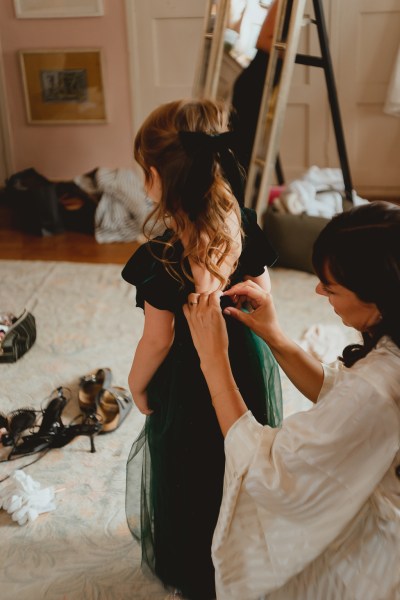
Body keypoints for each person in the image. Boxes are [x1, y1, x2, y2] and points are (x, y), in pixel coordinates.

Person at [183, 201, 400, 600]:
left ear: (378, 300)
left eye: (331, 286)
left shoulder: (379, 385)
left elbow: (273, 469)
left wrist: (213, 359)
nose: (318, 290)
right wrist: (276, 336)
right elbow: (346, 397)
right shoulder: (387, 362)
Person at [121, 99, 283, 599]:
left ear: (155, 177)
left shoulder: (161, 258)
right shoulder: (242, 225)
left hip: (191, 381)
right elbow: (264, 295)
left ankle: (196, 560)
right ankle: (243, 548)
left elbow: (159, 338)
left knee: (189, 467)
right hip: (243, 366)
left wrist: (136, 384)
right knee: (238, 456)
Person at [231, 0, 281, 173]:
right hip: (260, 67)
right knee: (244, 135)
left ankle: (243, 181)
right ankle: (241, 179)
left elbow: (266, 40)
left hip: (264, 66)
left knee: (244, 138)